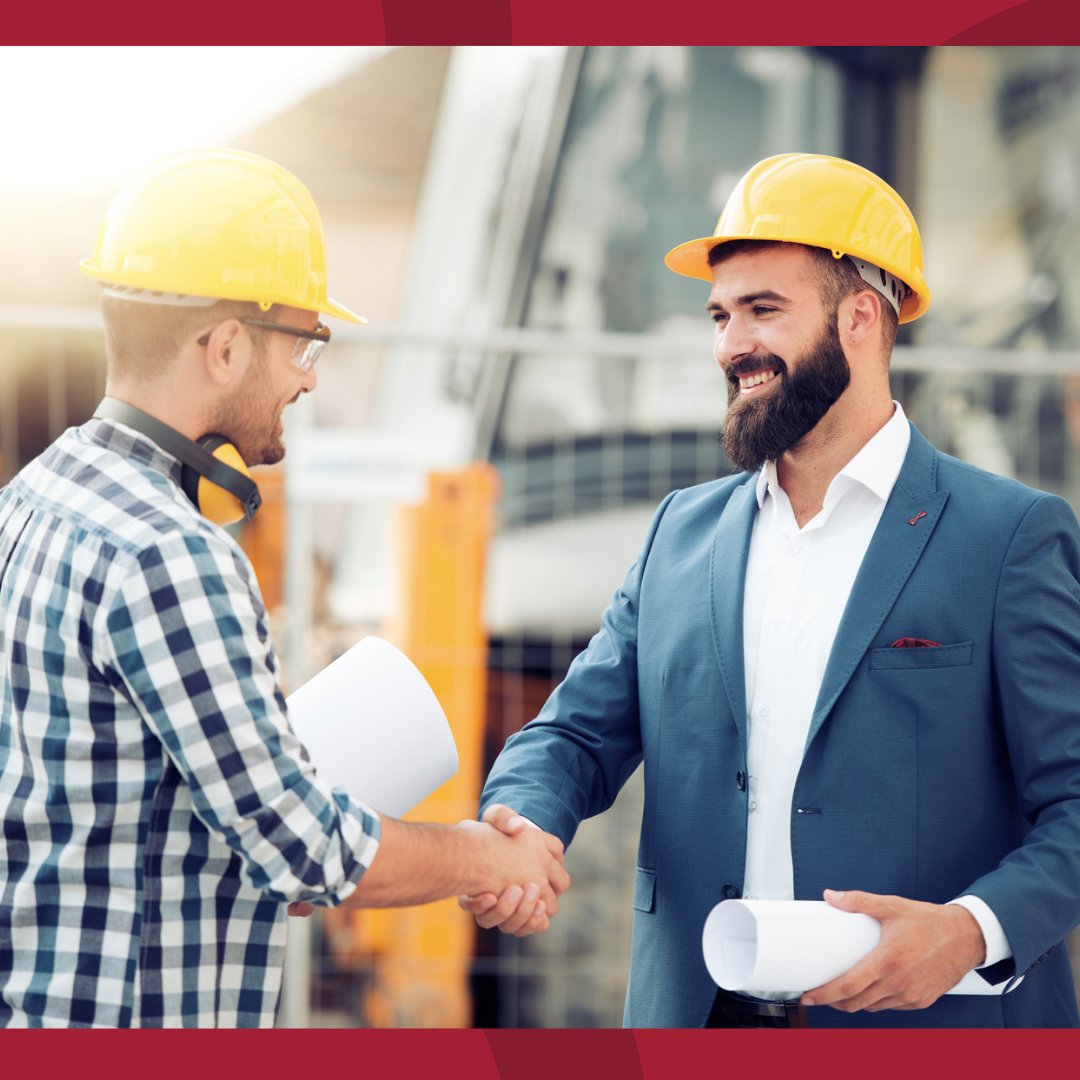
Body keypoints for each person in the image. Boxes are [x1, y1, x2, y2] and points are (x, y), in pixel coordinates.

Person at [466, 153, 1080, 1028]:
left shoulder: (1008, 537)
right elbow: (575, 732)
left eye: (763, 310)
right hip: (702, 1018)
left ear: (861, 316)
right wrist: (522, 824)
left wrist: (971, 930)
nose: (730, 346)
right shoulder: (680, 533)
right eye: (720, 315)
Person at [0, 148, 567, 1028]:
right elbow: (301, 847)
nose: (307, 376)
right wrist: (484, 860)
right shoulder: (173, 553)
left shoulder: (32, 500)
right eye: (302, 343)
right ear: (226, 347)